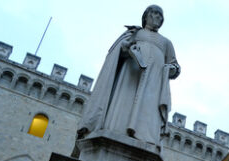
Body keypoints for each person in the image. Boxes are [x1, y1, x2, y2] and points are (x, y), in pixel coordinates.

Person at [77, 5, 180, 151]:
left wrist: (172, 69)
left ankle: (146, 138)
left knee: (148, 108)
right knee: (124, 101)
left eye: (160, 16)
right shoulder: (134, 33)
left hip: (154, 82)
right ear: (146, 16)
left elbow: (174, 65)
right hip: (130, 76)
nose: (158, 17)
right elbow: (117, 52)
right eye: (155, 14)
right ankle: (116, 129)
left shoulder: (166, 42)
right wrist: (126, 48)